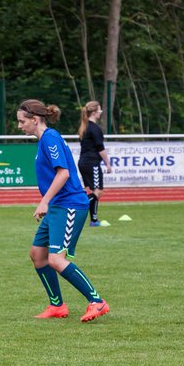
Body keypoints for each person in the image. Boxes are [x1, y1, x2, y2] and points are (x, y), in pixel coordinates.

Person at [16, 99, 110, 324]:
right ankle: (57, 305)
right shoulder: (44, 140)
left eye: (22, 121)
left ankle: (97, 301)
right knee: (38, 255)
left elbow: (64, 174)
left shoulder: (50, 139)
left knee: (56, 259)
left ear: (35, 119)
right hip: (58, 205)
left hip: (69, 205)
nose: (19, 126)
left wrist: (44, 201)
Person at [77, 101, 109, 227]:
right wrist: (108, 164)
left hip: (84, 162)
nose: (101, 112)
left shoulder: (84, 127)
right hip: (92, 163)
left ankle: (94, 220)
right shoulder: (94, 129)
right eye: (100, 110)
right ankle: (79, 209)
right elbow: (100, 148)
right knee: (98, 191)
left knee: (92, 190)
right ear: (95, 112)